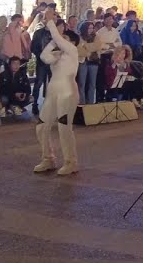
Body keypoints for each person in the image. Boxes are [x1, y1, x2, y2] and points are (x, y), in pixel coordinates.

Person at [33, 15, 81, 176]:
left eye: (64, 38)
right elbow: (43, 56)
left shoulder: (73, 51)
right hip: (53, 92)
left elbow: (57, 38)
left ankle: (71, 161)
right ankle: (48, 158)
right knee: (41, 126)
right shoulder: (56, 57)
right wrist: (54, 42)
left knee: (64, 127)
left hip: (68, 92)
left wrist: (51, 23)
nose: (61, 41)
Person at [76, 21, 99, 106]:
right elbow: (79, 50)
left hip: (93, 61)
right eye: (89, 28)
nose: (91, 30)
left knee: (92, 84)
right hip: (83, 61)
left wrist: (85, 46)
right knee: (82, 83)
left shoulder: (96, 36)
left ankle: (90, 103)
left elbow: (97, 46)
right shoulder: (79, 37)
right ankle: (82, 103)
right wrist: (88, 50)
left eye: (92, 28)